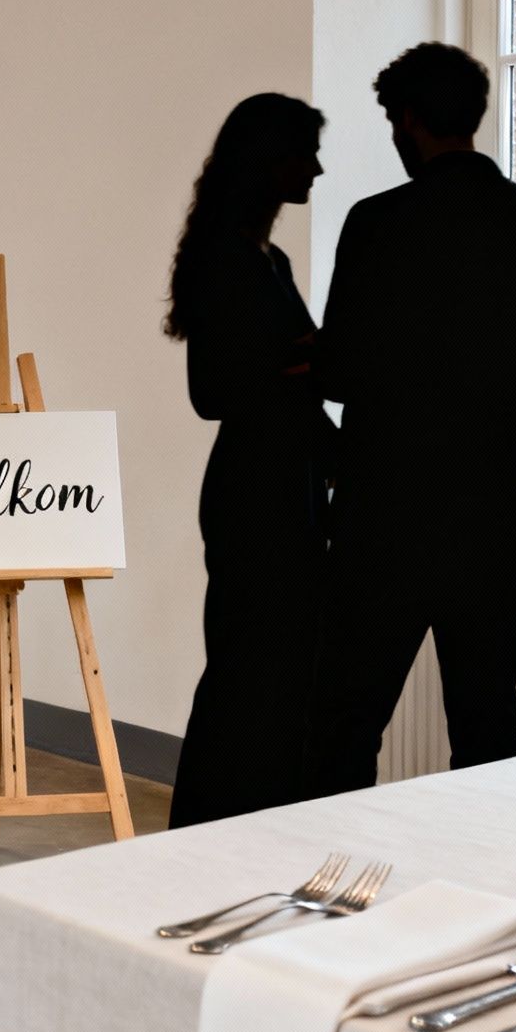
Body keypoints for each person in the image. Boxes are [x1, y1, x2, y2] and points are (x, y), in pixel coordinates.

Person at [309, 43, 516, 796]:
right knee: (486, 726)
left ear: (407, 121)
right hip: (495, 515)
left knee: (346, 724)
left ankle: (333, 888)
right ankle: (484, 895)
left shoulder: (376, 225)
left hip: (383, 514)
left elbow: (335, 375)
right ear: (475, 115)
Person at [164, 93, 335, 828]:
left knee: (282, 671)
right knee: (244, 670)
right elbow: (211, 394)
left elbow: (297, 384)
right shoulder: (228, 260)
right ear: (272, 160)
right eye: (306, 152)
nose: (319, 169)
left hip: (289, 485)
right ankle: (206, 831)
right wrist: (298, 364)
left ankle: (261, 825)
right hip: (252, 491)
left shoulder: (273, 260)